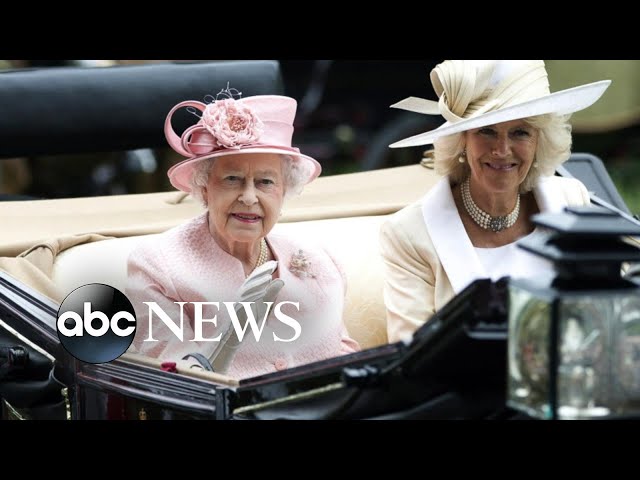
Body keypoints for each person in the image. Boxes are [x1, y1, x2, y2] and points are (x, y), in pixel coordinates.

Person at [126, 89, 360, 379]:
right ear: (204, 187)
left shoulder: (319, 260)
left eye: (265, 182)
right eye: (232, 179)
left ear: (284, 191)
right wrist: (226, 338)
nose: (249, 197)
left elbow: (347, 360)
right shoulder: (156, 266)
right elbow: (177, 382)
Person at [380, 60, 611, 343]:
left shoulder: (572, 200)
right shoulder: (408, 234)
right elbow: (411, 353)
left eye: (520, 132)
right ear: (462, 139)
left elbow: (607, 312)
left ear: (539, 141)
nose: (502, 150)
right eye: (486, 130)